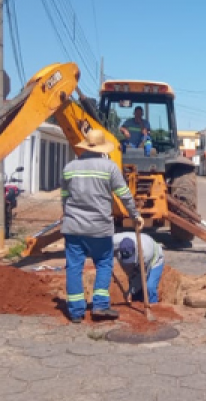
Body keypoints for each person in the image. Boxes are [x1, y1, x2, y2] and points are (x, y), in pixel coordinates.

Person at [61, 129, 144, 324]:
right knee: (104, 263)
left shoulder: (70, 167)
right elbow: (124, 194)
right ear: (101, 147)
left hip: (73, 227)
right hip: (99, 228)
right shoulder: (109, 167)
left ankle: (75, 312)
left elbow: (64, 197)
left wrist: (67, 215)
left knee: (74, 267)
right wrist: (135, 215)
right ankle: (100, 305)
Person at [113, 231, 164, 304]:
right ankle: (136, 301)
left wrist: (130, 291)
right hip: (138, 258)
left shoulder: (145, 253)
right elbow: (99, 245)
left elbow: (142, 276)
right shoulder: (113, 242)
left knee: (150, 286)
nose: (130, 264)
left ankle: (153, 306)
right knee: (134, 286)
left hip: (155, 259)